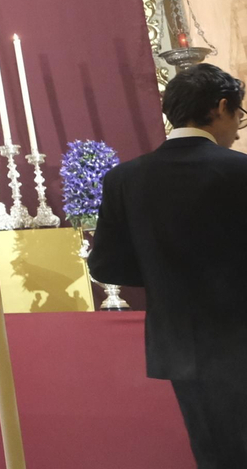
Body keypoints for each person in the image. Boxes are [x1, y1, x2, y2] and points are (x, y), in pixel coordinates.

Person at [90, 63, 247, 468]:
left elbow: (105, 265)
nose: (238, 129)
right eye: (239, 116)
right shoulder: (240, 171)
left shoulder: (124, 179)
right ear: (222, 106)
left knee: (213, 453)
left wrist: (164, 276)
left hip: (179, 343)